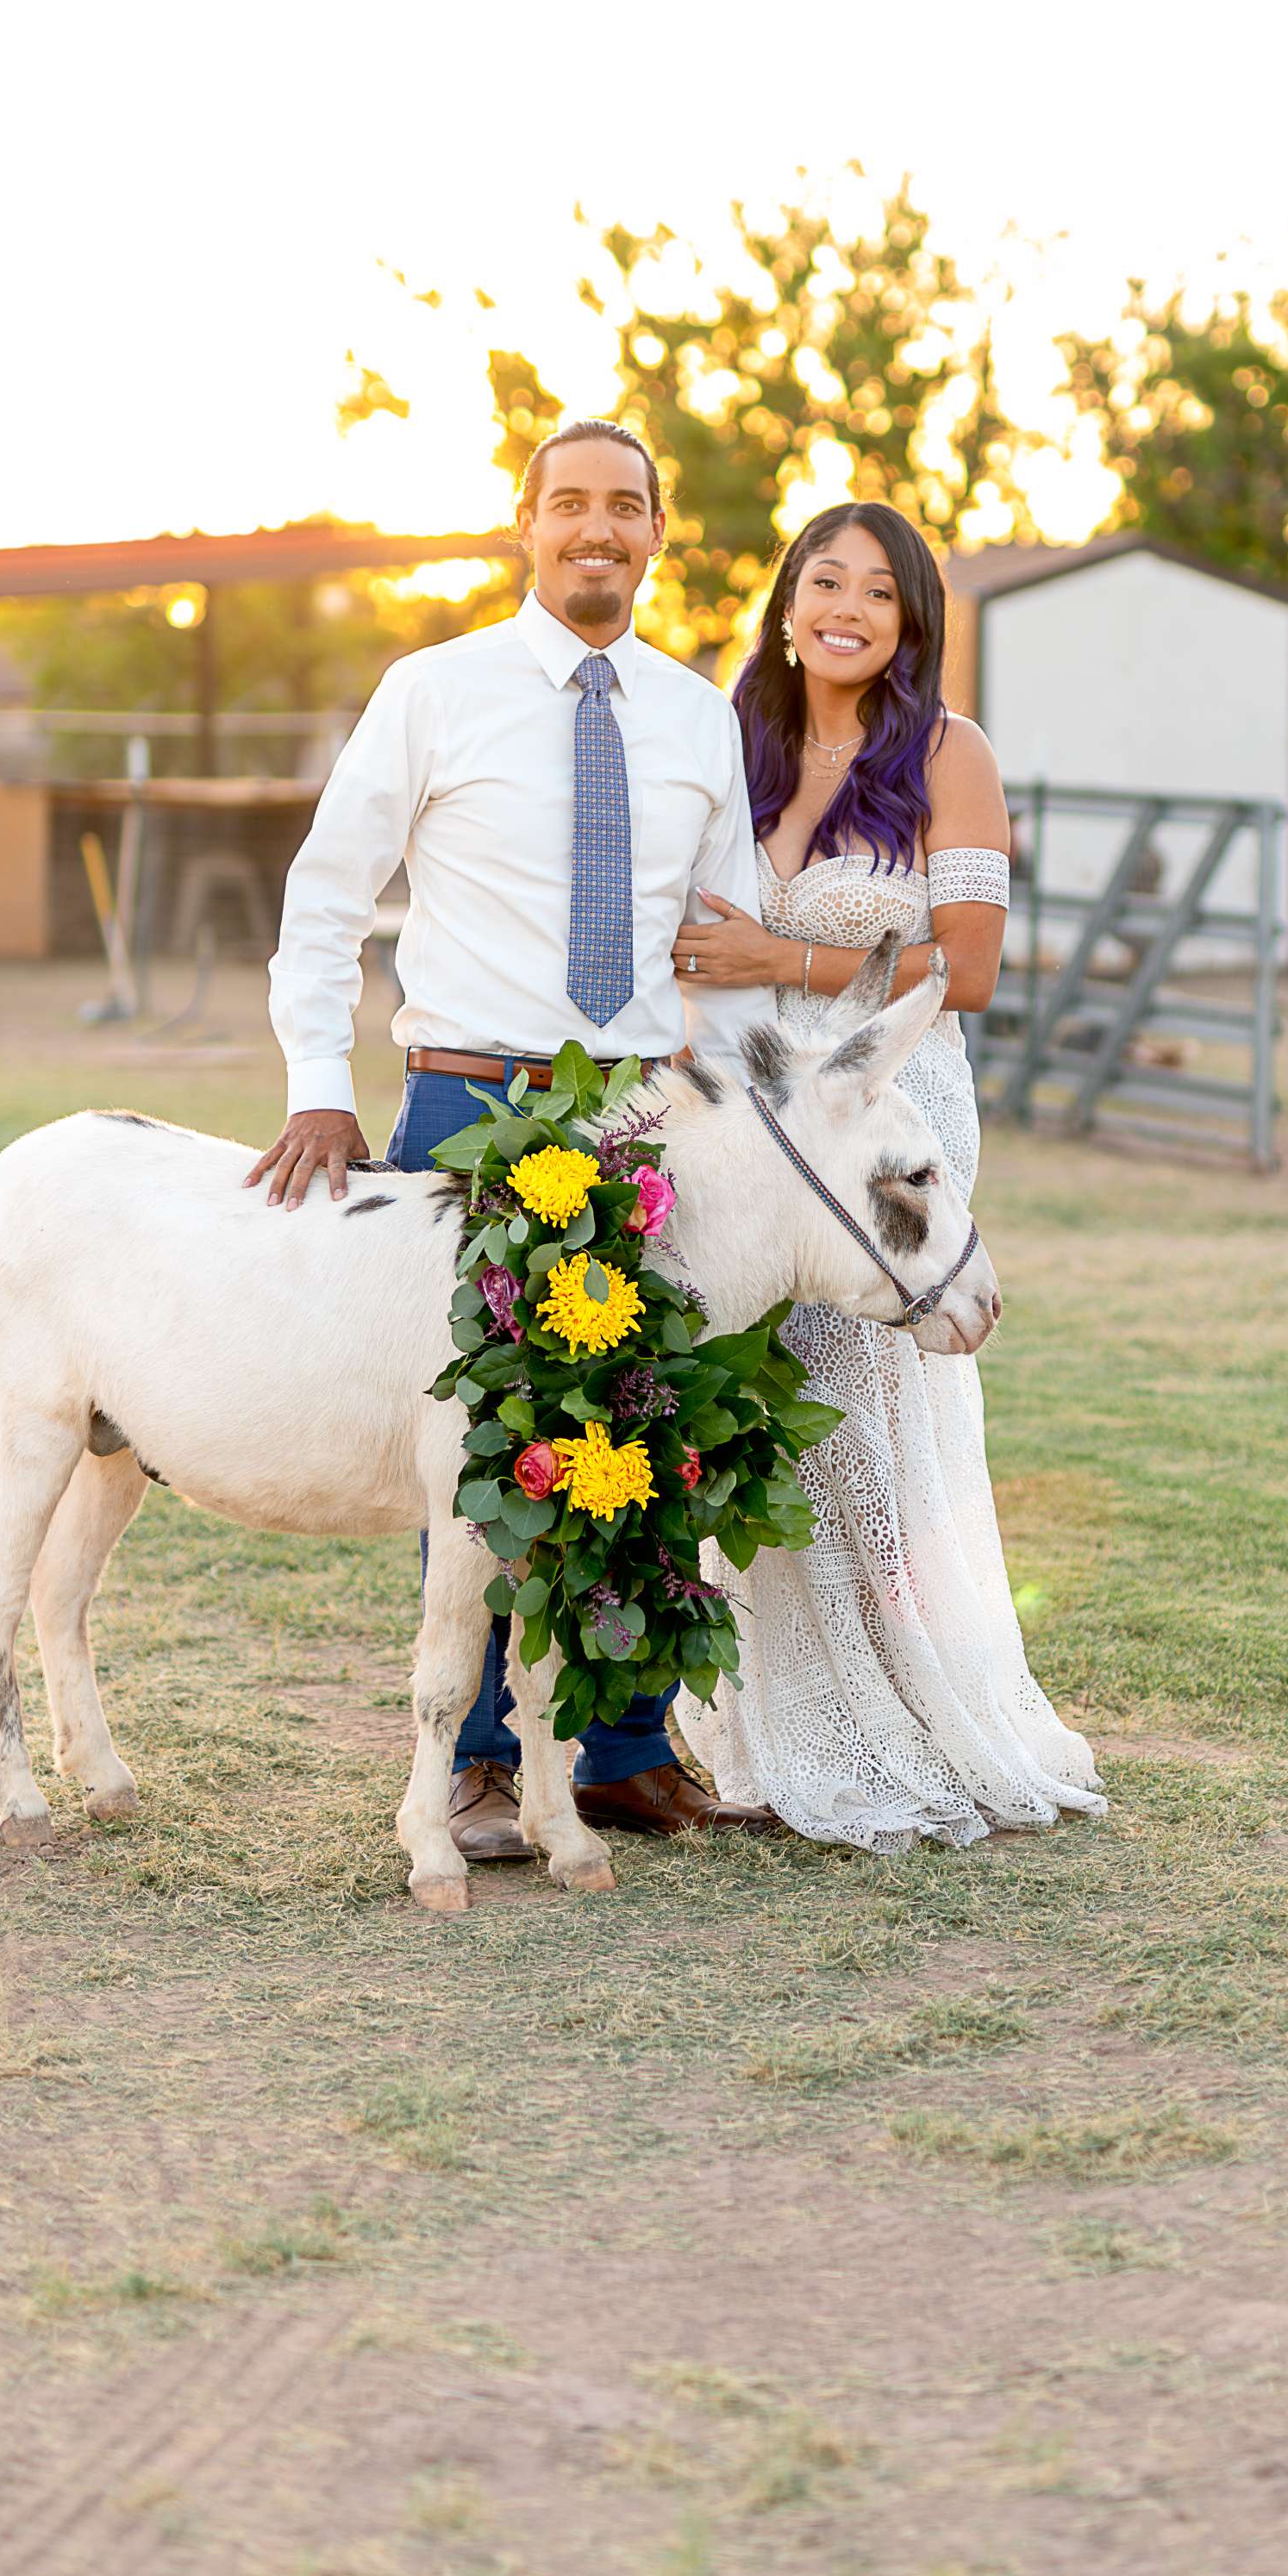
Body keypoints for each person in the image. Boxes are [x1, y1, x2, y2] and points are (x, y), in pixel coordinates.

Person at [250, 418, 782, 1862]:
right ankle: (481, 1761)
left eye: (627, 506)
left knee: (653, 1432)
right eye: (570, 504)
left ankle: (618, 1751)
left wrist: (733, 1125)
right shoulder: (435, 690)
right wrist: (318, 1078)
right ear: (526, 526)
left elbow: (724, 938)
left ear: (658, 533)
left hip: (644, 1110)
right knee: (482, 1443)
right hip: (472, 1106)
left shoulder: (698, 718)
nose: (596, 528)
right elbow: (326, 888)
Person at [667, 499, 1105, 1848]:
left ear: (911, 621)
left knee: (858, 1431)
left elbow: (967, 971)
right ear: (788, 601)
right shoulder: (730, 742)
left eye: (879, 592)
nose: (846, 608)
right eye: (825, 581)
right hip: (745, 1131)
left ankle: (895, 1717)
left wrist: (778, 963)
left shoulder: (948, 756)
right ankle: (757, 1725)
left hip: (892, 1125)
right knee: (740, 1415)